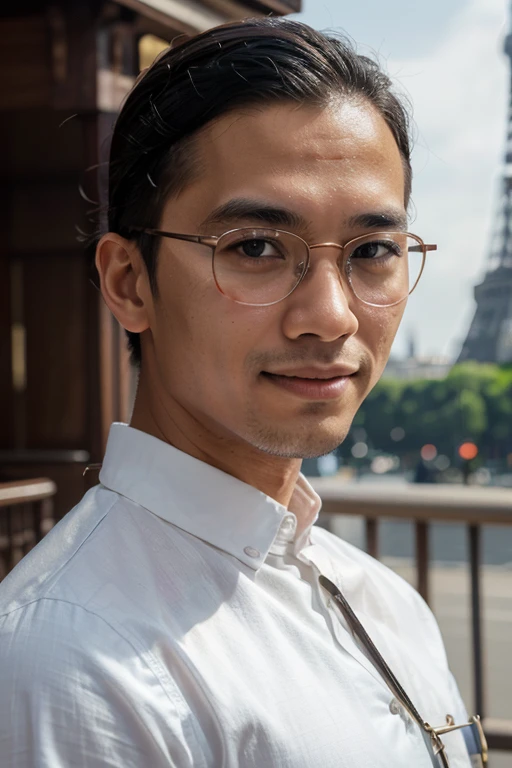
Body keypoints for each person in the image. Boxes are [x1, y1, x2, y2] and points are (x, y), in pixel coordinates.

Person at [0, 17, 484, 768]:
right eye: (255, 248)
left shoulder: (382, 599)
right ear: (129, 283)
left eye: (372, 251)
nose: (331, 315)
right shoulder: (72, 662)